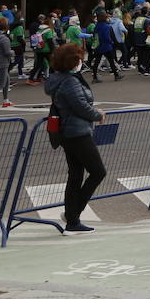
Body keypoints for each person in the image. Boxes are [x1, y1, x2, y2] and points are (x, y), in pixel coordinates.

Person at [44, 43, 107, 233]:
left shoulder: (59, 79)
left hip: (67, 132)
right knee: (97, 172)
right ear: (73, 61)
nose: (81, 61)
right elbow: (80, 105)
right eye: (79, 58)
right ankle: (72, 215)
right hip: (77, 132)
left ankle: (72, 219)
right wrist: (98, 114)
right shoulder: (70, 81)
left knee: (76, 175)